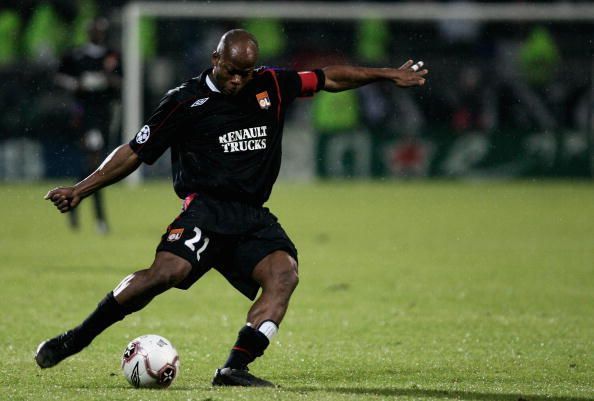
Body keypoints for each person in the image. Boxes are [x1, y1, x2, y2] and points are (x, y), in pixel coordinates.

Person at [35, 29, 428, 387]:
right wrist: (82, 189)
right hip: (205, 210)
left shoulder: (270, 83)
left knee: (284, 274)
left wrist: (387, 75)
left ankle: (234, 368)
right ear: (215, 59)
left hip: (252, 215)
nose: (239, 80)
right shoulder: (185, 101)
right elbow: (135, 152)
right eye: (232, 71)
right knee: (165, 273)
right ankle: (76, 338)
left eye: (246, 72)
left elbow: (328, 77)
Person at [55, 17, 121, 234]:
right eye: (94, 30)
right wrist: (78, 83)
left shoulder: (111, 55)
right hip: (86, 115)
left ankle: (71, 203)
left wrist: (105, 80)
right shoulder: (77, 55)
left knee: (94, 166)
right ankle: (100, 219)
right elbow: (59, 77)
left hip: (105, 115)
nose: (98, 34)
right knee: (96, 166)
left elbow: (121, 81)